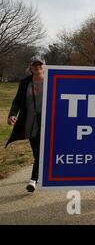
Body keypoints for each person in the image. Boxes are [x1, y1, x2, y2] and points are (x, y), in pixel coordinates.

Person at [5, 56, 46, 193]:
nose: (38, 67)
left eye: (40, 65)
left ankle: (33, 180)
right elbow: (17, 101)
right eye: (35, 65)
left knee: (40, 152)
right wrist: (12, 115)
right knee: (37, 151)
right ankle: (38, 174)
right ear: (30, 67)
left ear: (44, 66)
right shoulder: (25, 83)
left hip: (47, 122)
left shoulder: (52, 80)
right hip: (30, 122)